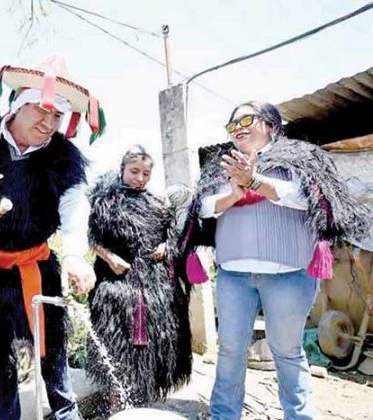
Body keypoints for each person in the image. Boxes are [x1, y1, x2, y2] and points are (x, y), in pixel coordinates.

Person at [0, 56, 103, 420]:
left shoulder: (62, 158)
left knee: (52, 348)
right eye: (42, 110)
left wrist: (74, 256)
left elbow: (74, 205)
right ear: (18, 105)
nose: (49, 123)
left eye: (57, 115)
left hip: (35, 265)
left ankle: (66, 414)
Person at [181, 101, 371, 420]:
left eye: (246, 120)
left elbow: (307, 198)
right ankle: (224, 415)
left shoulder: (300, 157)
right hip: (233, 276)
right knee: (230, 351)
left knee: (286, 351)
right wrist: (234, 193)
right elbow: (202, 207)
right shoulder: (222, 164)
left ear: (270, 124)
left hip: (288, 275)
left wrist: (254, 180)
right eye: (232, 125)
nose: (238, 129)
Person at [86, 145, 192, 410]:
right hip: (116, 287)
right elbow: (91, 237)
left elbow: (173, 234)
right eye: (134, 171)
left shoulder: (156, 203)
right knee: (117, 345)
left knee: (151, 349)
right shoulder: (105, 201)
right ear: (122, 169)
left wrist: (167, 246)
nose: (140, 178)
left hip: (153, 288)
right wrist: (109, 257)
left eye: (146, 173)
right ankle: (117, 403)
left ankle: (143, 402)